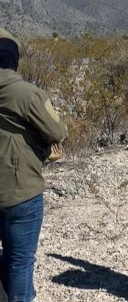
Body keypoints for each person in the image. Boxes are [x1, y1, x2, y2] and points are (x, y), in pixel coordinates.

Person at [0, 27, 68, 301]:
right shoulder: (28, 94)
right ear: (14, 59)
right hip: (21, 192)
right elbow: (58, 132)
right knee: (20, 262)